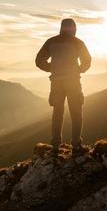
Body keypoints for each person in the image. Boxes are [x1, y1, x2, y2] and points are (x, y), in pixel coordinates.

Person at [35, 18, 91, 155]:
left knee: (57, 113)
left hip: (56, 82)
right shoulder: (78, 43)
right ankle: (76, 145)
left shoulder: (51, 41)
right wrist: (79, 70)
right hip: (72, 81)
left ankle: (55, 146)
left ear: (61, 28)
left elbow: (38, 60)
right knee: (76, 112)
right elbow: (87, 61)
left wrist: (52, 69)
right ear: (73, 28)